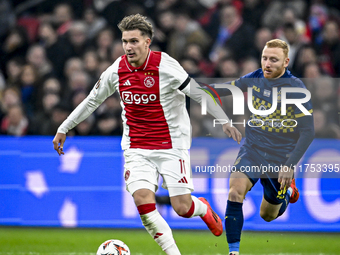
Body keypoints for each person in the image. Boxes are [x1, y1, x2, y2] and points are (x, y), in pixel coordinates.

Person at [52, 14, 242, 255]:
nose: (128, 47)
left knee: (182, 208)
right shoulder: (117, 70)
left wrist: (223, 120)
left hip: (171, 144)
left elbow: (199, 93)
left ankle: (202, 208)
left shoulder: (166, 66)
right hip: (136, 147)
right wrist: (64, 127)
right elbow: (91, 101)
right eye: (124, 41)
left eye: (133, 41)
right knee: (143, 200)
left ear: (147, 42)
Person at [208, 39, 314, 255]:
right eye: (264, 58)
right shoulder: (255, 77)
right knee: (235, 191)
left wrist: (290, 165)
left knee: (268, 215)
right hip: (253, 149)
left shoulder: (295, 88)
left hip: (280, 157)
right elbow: (228, 89)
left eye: (273, 60)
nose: (267, 63)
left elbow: (308, 132)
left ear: (286, 62)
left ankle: (289, 191)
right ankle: (233, 251)